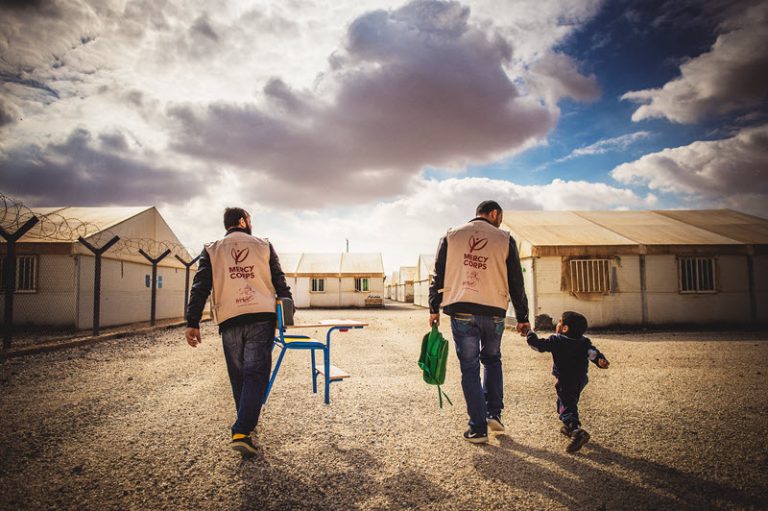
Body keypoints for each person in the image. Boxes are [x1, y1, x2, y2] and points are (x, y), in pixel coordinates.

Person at [185, 207, 292, 457]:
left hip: (230, 318)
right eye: (250, 220)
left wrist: (192, 321)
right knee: (256, 374)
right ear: (243, 221)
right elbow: (279, 281)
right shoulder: (263, 245)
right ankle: (242, 429)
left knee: (239, 375)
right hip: (260, 316)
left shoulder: (212, 249)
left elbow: (200, 286)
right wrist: (286, 313)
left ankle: (245, 427)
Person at [428, 200, 530, 444]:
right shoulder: (505, 239)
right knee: (493, 360)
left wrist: (433, 307)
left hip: (462, 309)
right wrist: (523, 317)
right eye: (500, 218)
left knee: (470, 368)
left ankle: (478, 428)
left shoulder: (451, 236)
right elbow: (517, 282)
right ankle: (494, 413)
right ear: (494, 213)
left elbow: (437, 274)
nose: (500, 223)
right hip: (494, 310)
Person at [524, 311, 609, 453]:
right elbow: (593, 354)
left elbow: (538, 345)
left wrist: (529, 333)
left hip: (565, 379)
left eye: (559, 322)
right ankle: (569, 427)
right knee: (566, 402)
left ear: (565, 328)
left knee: (567, 405)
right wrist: (601, 361)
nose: (557, 324)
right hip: (580, 379)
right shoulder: (584, 342)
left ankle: (576, 431)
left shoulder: (557, 340)